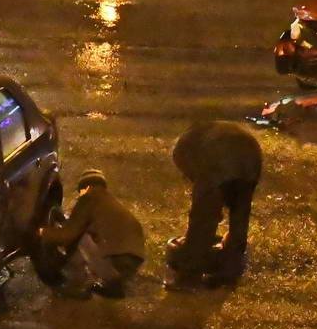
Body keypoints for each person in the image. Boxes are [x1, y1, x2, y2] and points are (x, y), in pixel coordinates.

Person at [165, 121, 262, 289]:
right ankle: (229, 271)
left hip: (219, 155)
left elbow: (205, 204)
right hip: (251, 155)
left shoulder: (182, 151)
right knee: (240, 213)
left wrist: (208, 205)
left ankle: (189, 276)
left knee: (203, 220)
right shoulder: (202, 135)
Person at [39, 169, 145, 299]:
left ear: (86, 187)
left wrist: (42, 232)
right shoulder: (109, 202)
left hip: (116, 260)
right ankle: (114, 286)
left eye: (80, 191)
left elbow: (68, 235)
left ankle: (77, 285)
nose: (80, 194)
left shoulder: (88, 198)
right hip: (134, 260)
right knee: (88, 235)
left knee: (80, 238)